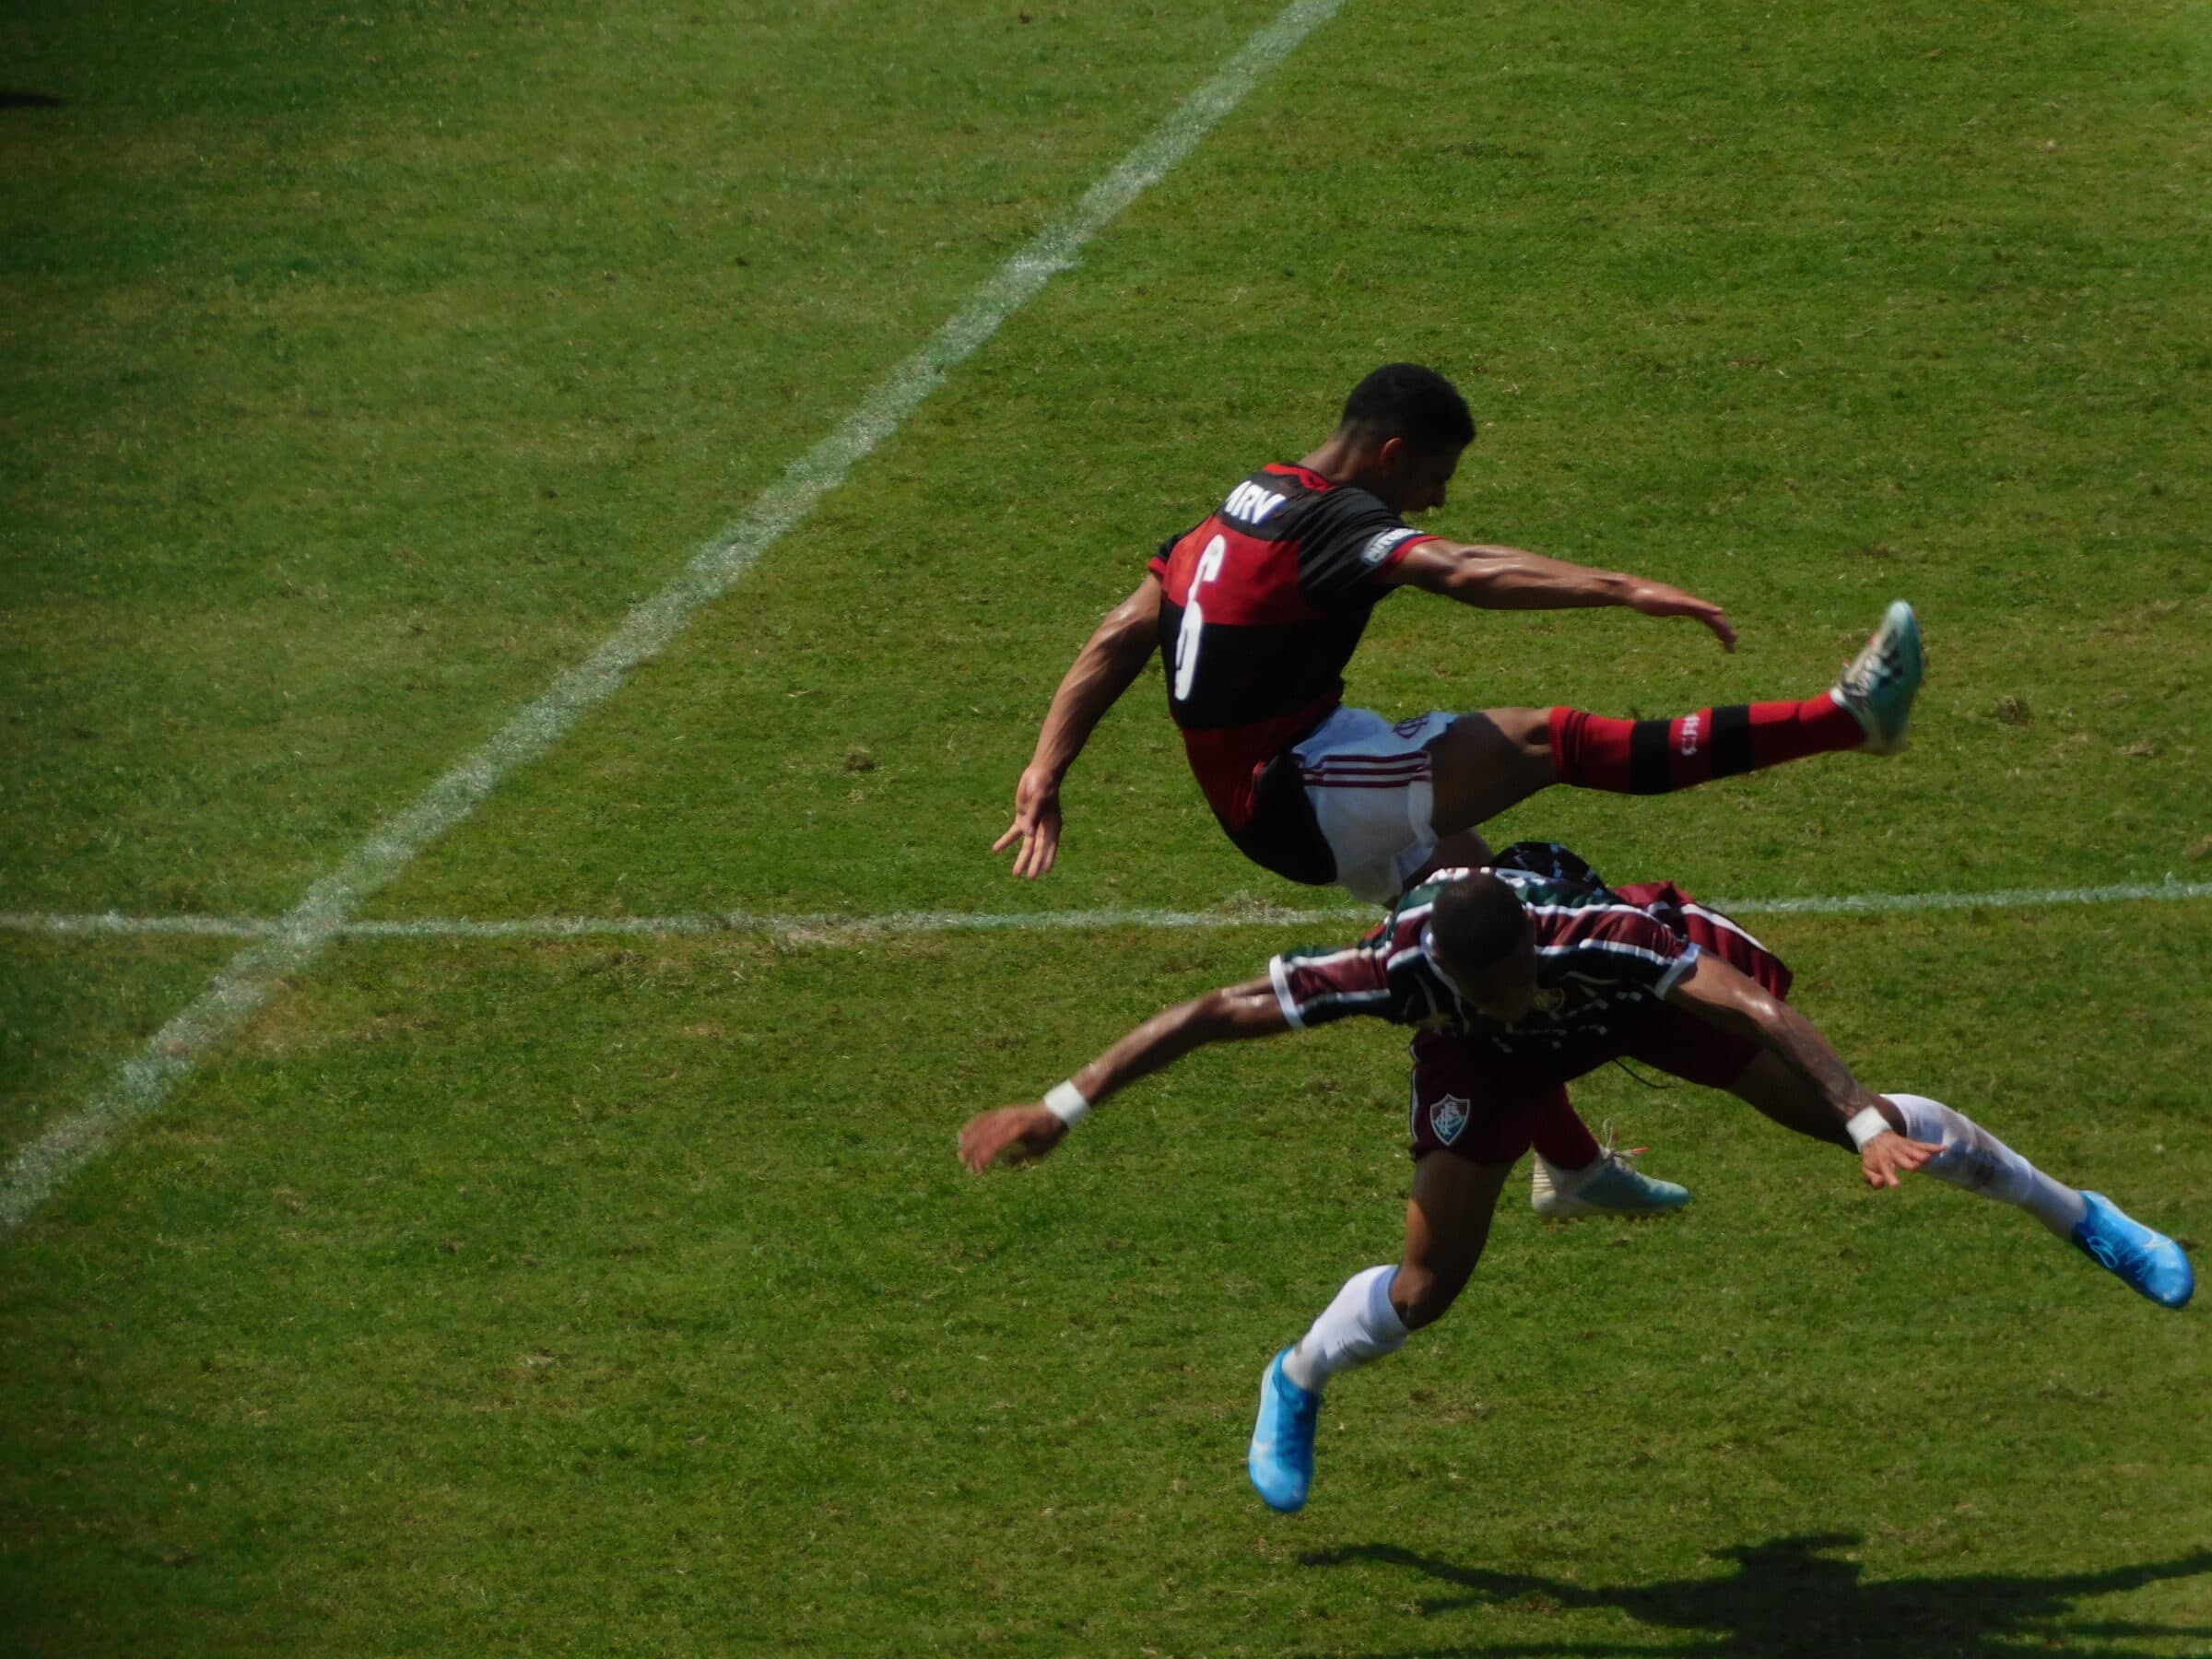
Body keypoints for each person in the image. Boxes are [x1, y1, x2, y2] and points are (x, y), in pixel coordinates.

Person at [958, 842, 2194, 1514]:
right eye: (1479, 990)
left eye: (1509, 981)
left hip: (1616, 1010)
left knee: (1831, 1115)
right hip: (1490, 1074)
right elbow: (1209, 1012)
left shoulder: (1594, 941)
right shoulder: (1399, 976)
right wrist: (1063, 1105)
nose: (1505, 1000)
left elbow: (1753, 1006)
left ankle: (2079, 1216)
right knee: (1427, 1287)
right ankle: (1295, 1378)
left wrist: (1867, 1119)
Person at [990, 361, 1924, 1220]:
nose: (1437, 498)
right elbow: (1464, 569)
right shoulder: (1338, 524)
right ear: (1390, 454)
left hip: (1289, 767)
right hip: (1298, 788)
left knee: (1473, 907)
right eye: (1434, 475)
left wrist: (1045, 765)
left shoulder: (1244, 508)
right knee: (1550, 741)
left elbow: (1123, 632)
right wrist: (1621, 588)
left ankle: (1569, 1165)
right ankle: (1844, 722)